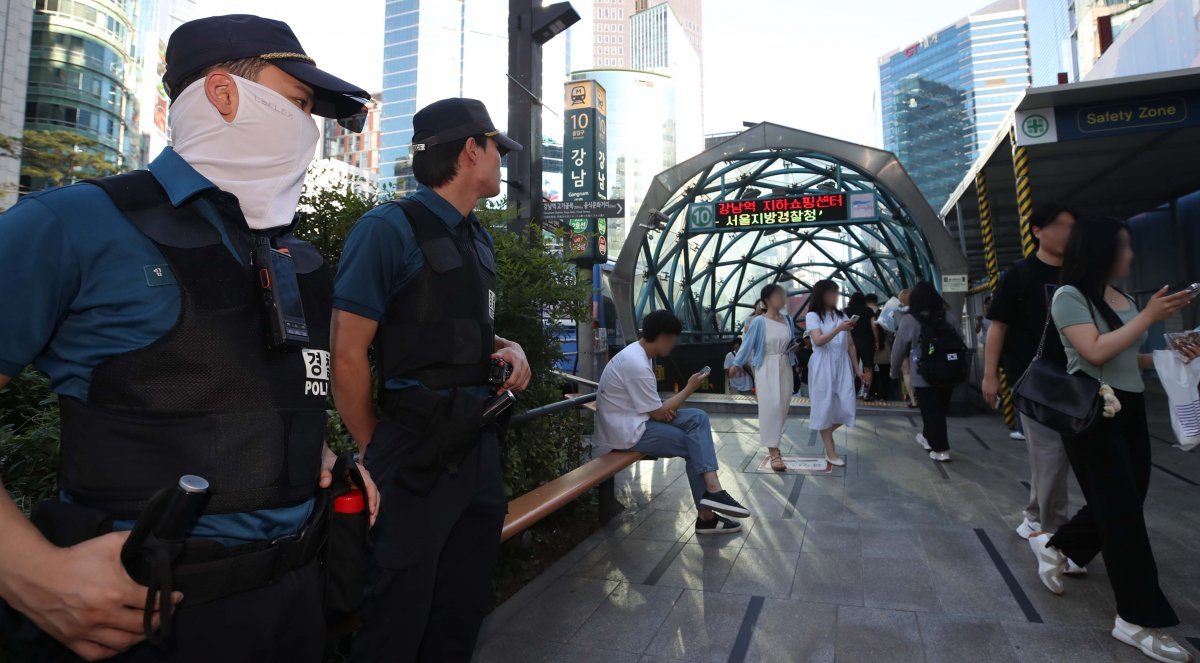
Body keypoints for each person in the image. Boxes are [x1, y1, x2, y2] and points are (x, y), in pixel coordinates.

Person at [0, 15, 379, 661]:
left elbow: (259, 389)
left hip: (295, 605)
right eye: (297, 103)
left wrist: (313, 456)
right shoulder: (72, 223)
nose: (309, 130)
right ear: (223, 93)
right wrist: (30, 572)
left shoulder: (298, 259)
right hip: (137, 616)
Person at [331, 98, 531, 661]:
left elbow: (454, 331)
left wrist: (506, 346)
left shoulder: (479, 238)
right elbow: (346, 353)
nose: (501, 160)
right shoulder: (387, 229)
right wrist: (377, 446)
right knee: (395, 618)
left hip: (478, 448)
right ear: (472, 150)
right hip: (412, 453)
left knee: (459, 614)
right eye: (498, 149)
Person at [1028, 217, 1197, 663]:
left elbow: (1122, 354)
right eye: (1124, 248)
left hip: (1130, 407)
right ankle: (1138, 618)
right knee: (1123, 515)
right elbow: (1095, 352)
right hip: (1093, 413)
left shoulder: (1121, 296)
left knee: (1127, 497)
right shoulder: (1069, 297)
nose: (1131, 256)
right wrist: (1148, 317)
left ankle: (1059, 545)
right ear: (1101, 251)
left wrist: (1167, 351)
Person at [595, 311, 751, 533]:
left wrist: (662, 410)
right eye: (674, 337)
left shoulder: (638, 354)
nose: (674, 343)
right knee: (693, 443)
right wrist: (688, 389)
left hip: (636, 419)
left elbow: (656, 409)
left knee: (698, 418)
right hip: (628, 431)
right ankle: (707, 513)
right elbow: (658, 413)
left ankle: (712, 493)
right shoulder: (637, 363)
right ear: (662, 336)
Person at [982, 203, 1079, 546]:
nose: (1069, 232)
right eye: (1061, 225)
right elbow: (998, 326)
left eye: (1072, 226)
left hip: (1077, 376)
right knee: (1051, 452)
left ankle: (1035, 516)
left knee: (1053, 455)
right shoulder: (1020, 274)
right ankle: (1055, 532)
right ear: (1038, 231)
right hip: (1033, 378)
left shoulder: (1078, 273)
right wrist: (989, 374)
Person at [890, 281, 962, 462]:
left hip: (924, 373)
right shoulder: (947, 316)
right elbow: (960, 339)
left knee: (931, 411)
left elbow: (899, 348)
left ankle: (941, 449)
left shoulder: (909, 319)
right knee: (939, 409)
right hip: (948, 371)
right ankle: (928, 438)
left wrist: (894, 371)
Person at [730, 285, 796, 471]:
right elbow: (748, 343)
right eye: (778, 295)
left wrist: (793, 350)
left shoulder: (788, 320)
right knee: (770, 407)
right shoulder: (759, 321)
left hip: (784, 365)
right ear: (766, 299)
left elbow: (788, 343)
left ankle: (774, 443)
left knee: (782, 406)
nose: (782, 299)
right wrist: (736, 364)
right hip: (765, 366)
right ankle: (774, 452)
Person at [804, 279, 863, 466]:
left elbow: (851, 345)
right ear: (822, 295)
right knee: (824, 405)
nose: (836, 296)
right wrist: (839, 328)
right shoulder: (812, 316)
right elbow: (818, 340)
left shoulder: (842, 314)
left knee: (847, 406)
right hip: (822, 363)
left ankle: (827, 433)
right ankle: (830, 451)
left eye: (837, 292)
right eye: (832, 293)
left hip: (842, 363)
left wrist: (857, 369)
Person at [845, 293, 877, 399]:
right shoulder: (868, 311)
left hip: (851, 342)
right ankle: (866, 393)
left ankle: (849, 393)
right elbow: (873, 325)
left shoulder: (846, 311)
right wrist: (877, 341)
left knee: (852, 368)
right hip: (866, 342)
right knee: (868, 367)